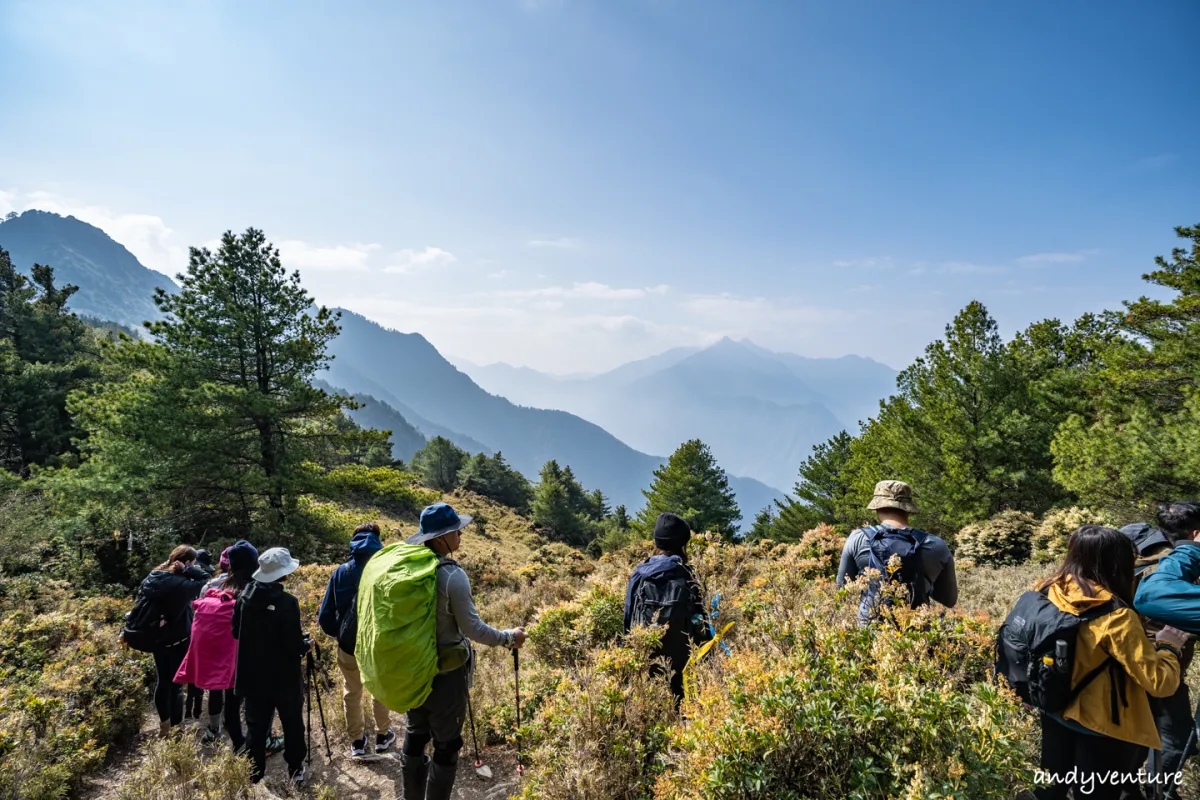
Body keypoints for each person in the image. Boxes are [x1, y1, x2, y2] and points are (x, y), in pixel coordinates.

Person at [1033, 525, 1185, 800]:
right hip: (1103, 725)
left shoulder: (1049, 589)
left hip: (1054, 705)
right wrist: (1169, 644)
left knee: (1050, 788)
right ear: (1119, 563)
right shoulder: (1116, 616)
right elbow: (1159, 683)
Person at [400, 503, 527, 800]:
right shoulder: (452, 577)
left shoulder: (410, 568)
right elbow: (473, 629)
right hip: (446, 676)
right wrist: (509, 637)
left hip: (412, 667)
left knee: (415, 735)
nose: (461, 535)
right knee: (446, 745)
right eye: (457, 530)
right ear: (442, 537)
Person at [1134, 501, 1200, 797]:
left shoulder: (1144, 560)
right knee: (1173, 739)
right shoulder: (1171, 572)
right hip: (1161, 671)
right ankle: (1158, 791)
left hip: (1133, 667)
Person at [232, 547, 309, 785]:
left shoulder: (244, 597)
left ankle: (255, 775)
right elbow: (293, 646)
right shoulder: (287, 602)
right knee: (292, 722)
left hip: (252, 675)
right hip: (284, 677)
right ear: (283, 574)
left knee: (256, 726)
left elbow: (236, 632)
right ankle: (295, 770)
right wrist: (305, 645)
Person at [318, 522, 395, 759]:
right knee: (379, 688)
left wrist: (341, 633)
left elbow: (324, 616)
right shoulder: (386, 569)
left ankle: (357, 742)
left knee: (352, 691)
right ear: (378, 541)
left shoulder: (341, 572)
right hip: (378, 643)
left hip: (349, 644)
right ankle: (383, 736)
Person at [835, 480, 957, 624]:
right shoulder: (936, 545)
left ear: (877, 508)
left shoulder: (858, 538)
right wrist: (924, 584)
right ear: (908, 509)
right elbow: (949, 600)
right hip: (916, 634)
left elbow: (842, 588)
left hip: (869, 634)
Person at [175, 540, 258, 751]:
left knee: (215, 689)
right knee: (235, 695)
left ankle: (214, 730)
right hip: (237, 650)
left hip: (212, 646)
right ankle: (241, 741)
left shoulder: (212, 586)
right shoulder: (251, 588)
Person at [622, 512, 710, 703]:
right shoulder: (688, 574)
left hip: (647, 659)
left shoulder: (640, 573)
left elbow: (628, 618)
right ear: (682, 543)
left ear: (657, 542)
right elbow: (703, 621)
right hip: (683, 663)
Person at [135, 545, 208, 736]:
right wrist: (188, 570)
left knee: (162, 681)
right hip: (177, 639)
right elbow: (205, 580)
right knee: (176, 685)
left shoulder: (153, 576)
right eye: (193, 562)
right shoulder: (181, 584)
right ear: (186, 562)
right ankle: (177, 730)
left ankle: (164, 726)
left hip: (156, 638)